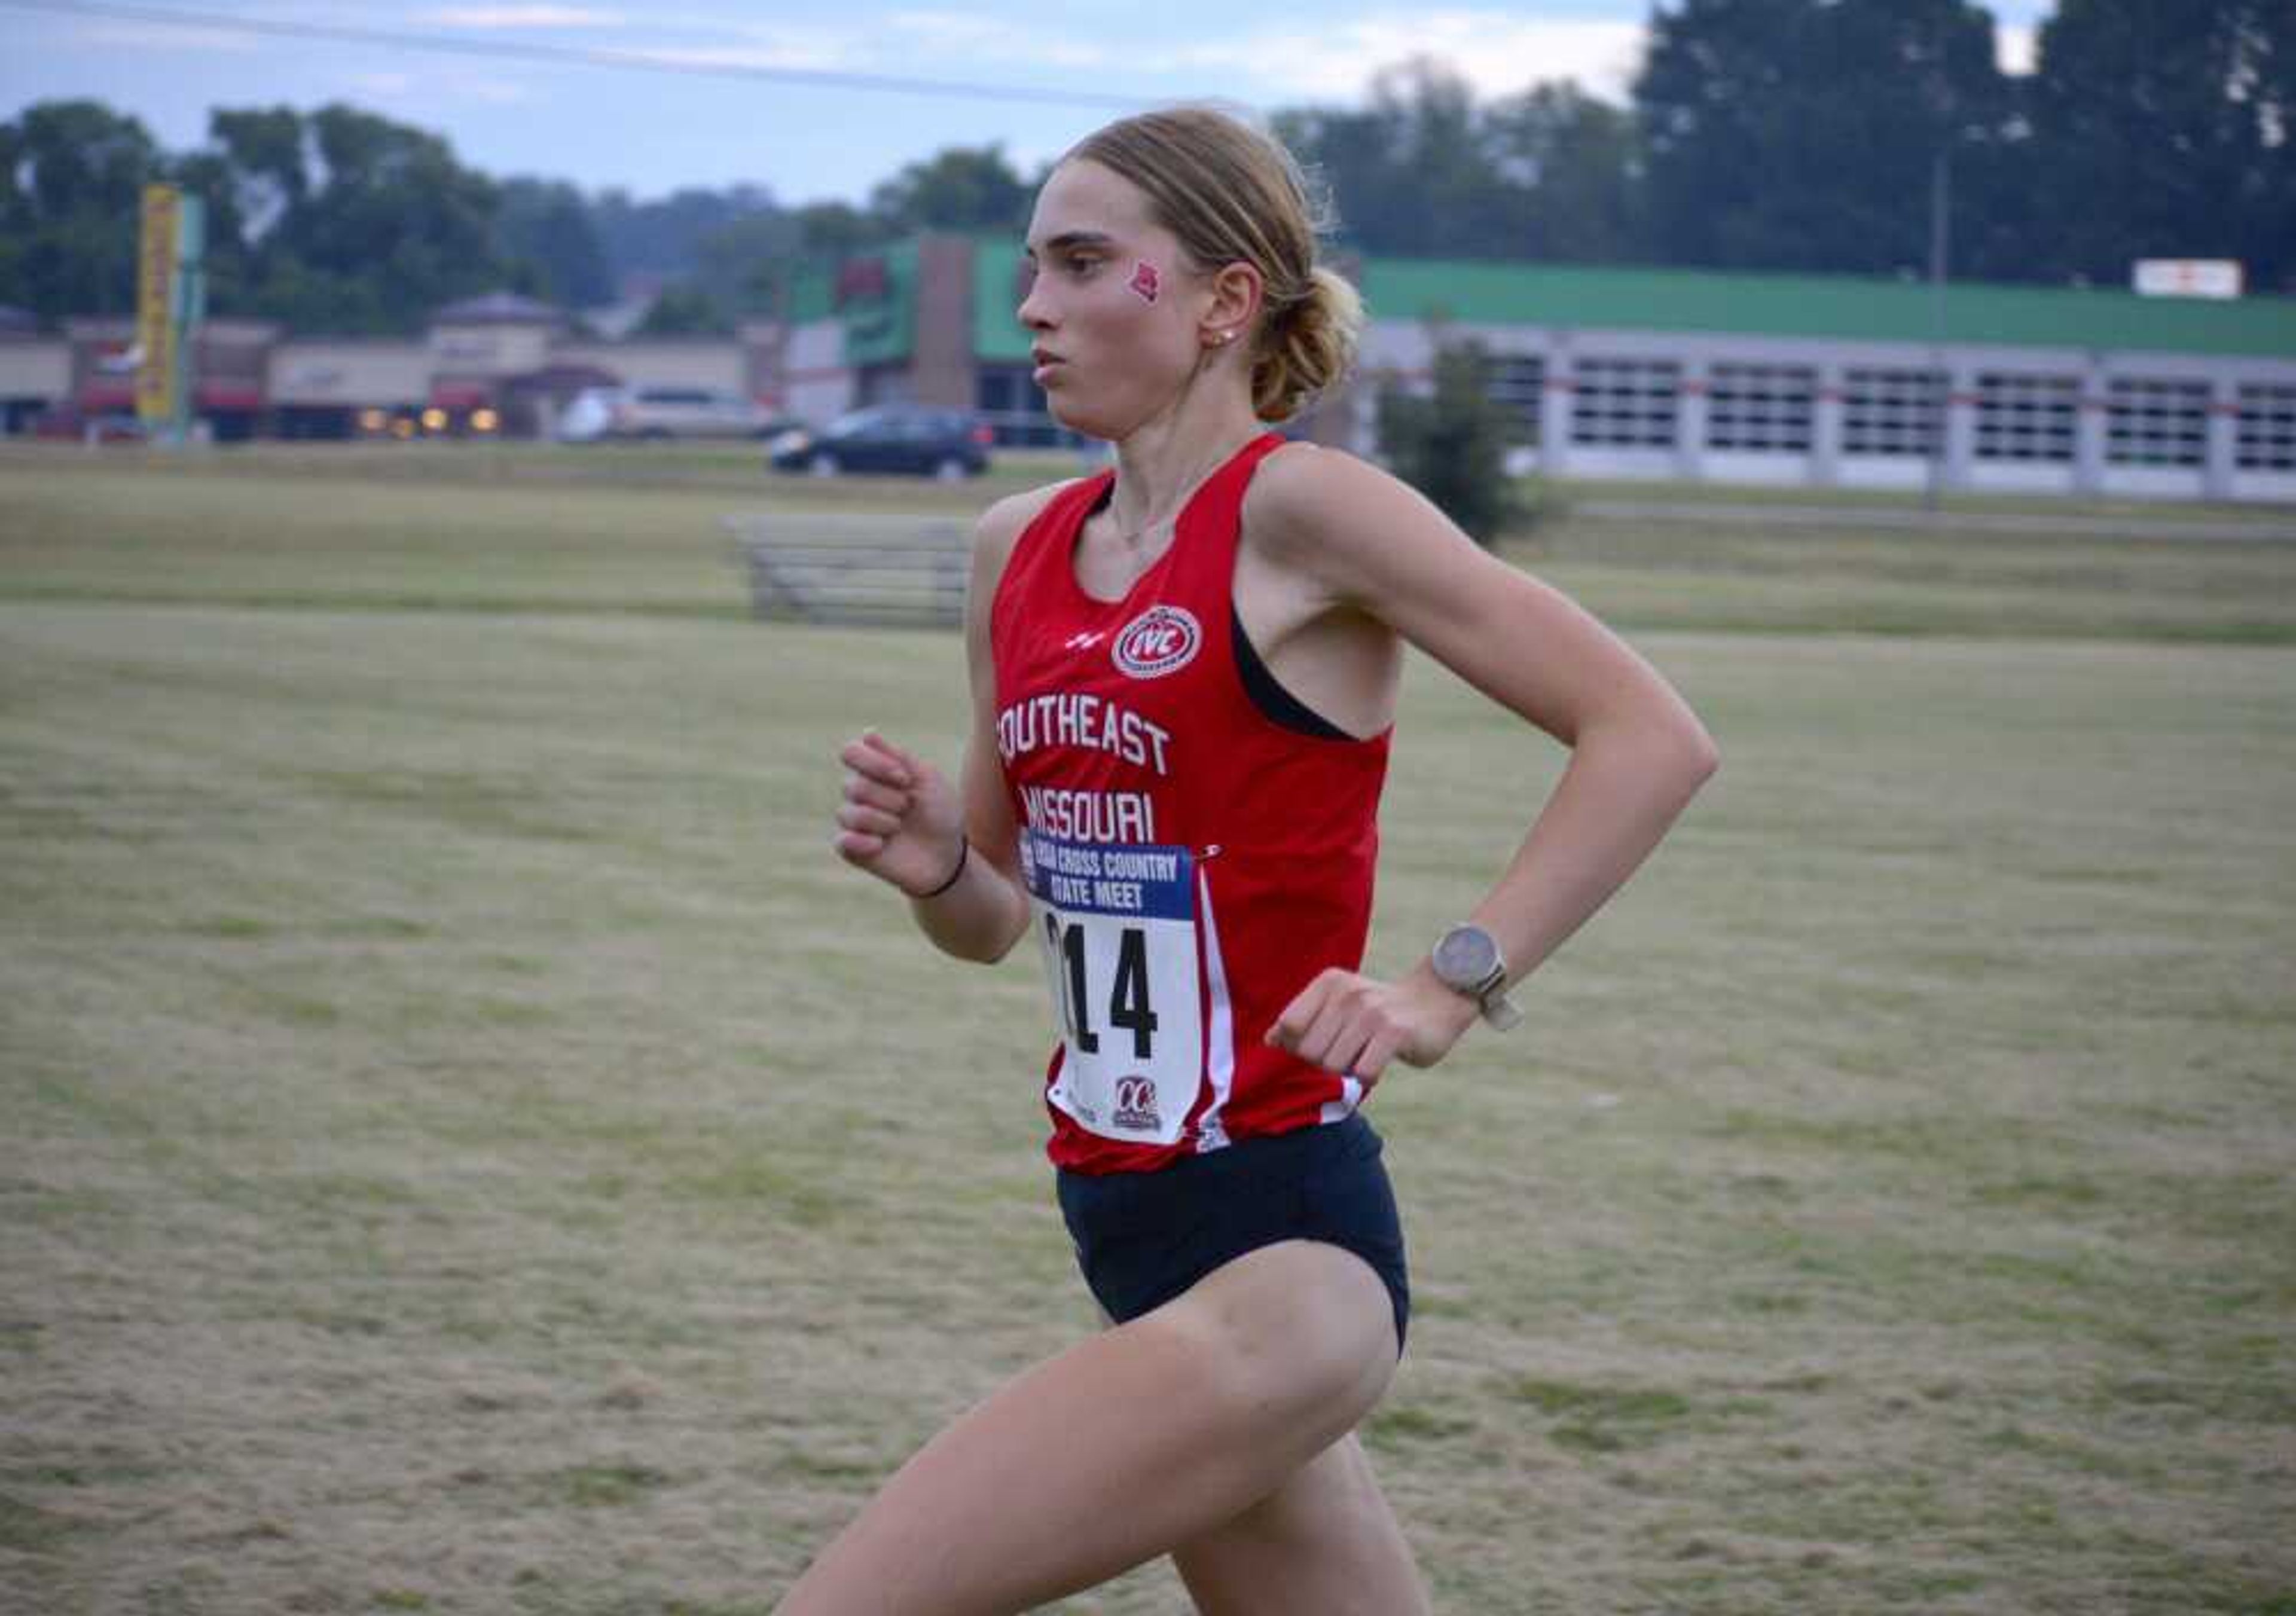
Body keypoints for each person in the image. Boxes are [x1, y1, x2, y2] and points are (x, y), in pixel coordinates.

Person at [802, 105, 1718, 1615]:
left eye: (1088, 262)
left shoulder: (1301, 510)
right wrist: (933, 866)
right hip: (1124, 1218)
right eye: (1034, 265)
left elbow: (1648, 733)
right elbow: (994, 920)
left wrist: (1443, 983)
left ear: (1226, 302)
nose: (1034, 304)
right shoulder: (1013, 546)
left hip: (1292, 1252)